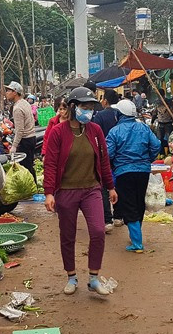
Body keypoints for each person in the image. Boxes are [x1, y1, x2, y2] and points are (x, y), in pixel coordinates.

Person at [43, 87, 116, 297]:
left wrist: (110, 187)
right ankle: (71, 276)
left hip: (91, 189)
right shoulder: (58, 132)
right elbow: (50, 165)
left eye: (92, 107)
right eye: (85, 107)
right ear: (74, 107)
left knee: (98, 231)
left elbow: (103, 160)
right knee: (67, 236)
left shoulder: (95, 130)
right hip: (66, 191)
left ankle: (93, 278)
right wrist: (49, 192)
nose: (89, 112)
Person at [106, 99, 161, 252]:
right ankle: (136, 234)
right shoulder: (143, 127)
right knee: (138, 203)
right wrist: (148, 159)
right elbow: (156, 145)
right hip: (143, 171)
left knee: (129, 205)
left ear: (119, 114)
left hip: (124, 173)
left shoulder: (114, 131)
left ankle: (137, 243)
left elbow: (108, 153)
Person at [93, 89, 122, 232]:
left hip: (104, 156)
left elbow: (94, 136)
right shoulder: (122, 115)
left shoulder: (100, 116)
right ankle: (119, 216)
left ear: (105, 100)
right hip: (121, 157)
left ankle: (107, 220)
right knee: (118, 185)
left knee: (104, 186)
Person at [6, 81, 37, 183]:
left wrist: (14, 146)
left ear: (15, 92)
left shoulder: (17, 108)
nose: (6, 93)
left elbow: (20, 130)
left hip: (25, 140)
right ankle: (34, 187)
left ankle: (31, 190)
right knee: (29, 165)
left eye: (8, 90)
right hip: (32, 138)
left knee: (25, 168)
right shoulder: (25, 103)